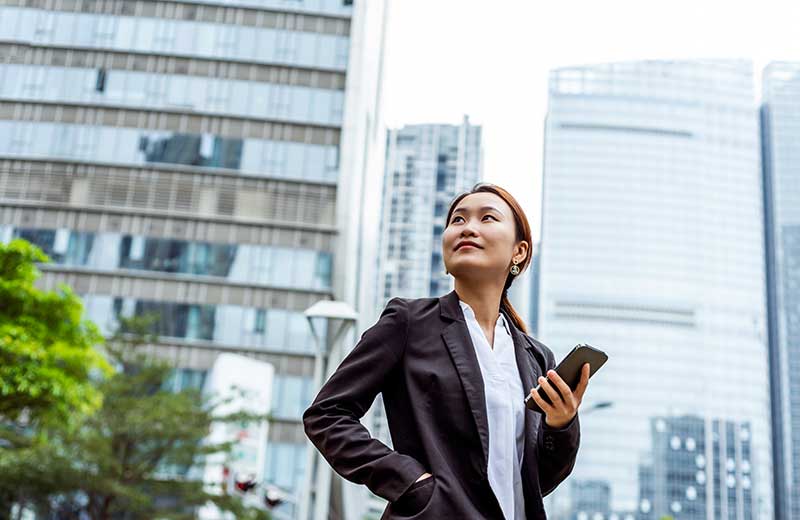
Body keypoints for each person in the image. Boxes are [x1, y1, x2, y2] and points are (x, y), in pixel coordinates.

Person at [303, 183, 591, 519]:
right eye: (457, 220)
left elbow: (534, 479)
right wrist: (412, 484)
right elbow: (326, 414)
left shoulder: (536, 357)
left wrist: (561, 424)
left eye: (487, 218)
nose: (468, 227)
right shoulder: (409, 323)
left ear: (519, 252)